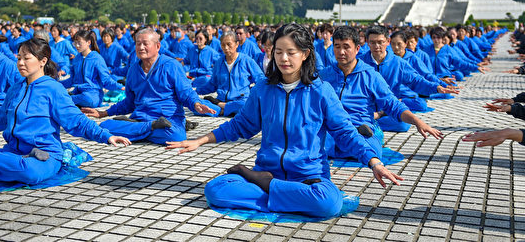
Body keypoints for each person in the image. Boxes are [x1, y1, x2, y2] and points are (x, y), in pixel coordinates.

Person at [166, 23, 403, 218]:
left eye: (291, 52)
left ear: (305, 54)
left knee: (328, 203)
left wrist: (373, 162)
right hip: (267, 170)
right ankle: (279, 191)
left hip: (308, 177)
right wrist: (200, 140)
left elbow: (346, 133)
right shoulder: (263, 89)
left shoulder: (321, 91)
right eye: (278, 51)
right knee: (216, 189)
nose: (283, 58)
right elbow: (240, 125)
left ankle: (269, 188)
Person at [0, 38, 130, 185]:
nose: (20, 63)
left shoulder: (53, 89)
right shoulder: (15, 89)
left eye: (26, 58)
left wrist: (106, 136)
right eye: (18, 58)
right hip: (14, 152)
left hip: (44, 154)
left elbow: (77, 122)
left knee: (30, 173)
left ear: (43, 61)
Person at [81, 28, 210, 144]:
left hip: (168, 119)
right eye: (138, 44)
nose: (141, 47)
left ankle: (136, 130)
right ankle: (150, 127)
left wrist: (196, 104)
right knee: (105, 125)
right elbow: (129, 103)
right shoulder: (133, 70)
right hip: (142, 118)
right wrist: (104, 113)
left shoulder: (171, 66)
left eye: (145, 44)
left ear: (158, 46)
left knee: (177, 136)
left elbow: (186, 92)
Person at [320, 26, 444, 138]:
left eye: (380, 42)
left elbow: (417, 80)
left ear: (387, 42)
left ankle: (368, 126)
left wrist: (436, 87)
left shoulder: (383, 68)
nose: (376, 46)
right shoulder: (331, 72)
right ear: (367, 43)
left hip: (379, 111)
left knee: (403, 123)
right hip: (351, 117)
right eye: (372, 42)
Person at [195, 31, 265, 117]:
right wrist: (195, 92)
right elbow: (212, 84)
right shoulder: (219, 62)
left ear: (237, 44)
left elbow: (261, 79)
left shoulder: (246, 60)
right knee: (197, 106)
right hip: (221, 99)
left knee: (247, 104)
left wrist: (253, 92)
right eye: (223, 45)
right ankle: (225, 110)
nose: (226, 48)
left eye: (229, 44)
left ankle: (221, 109)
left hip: (240, 100)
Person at [61, 30, 125, 108]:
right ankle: (68, 99)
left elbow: (106, 80)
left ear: (88, 42)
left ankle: (67, 100)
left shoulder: (97, 58)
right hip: (78, 92)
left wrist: (120, 86)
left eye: (79, 43)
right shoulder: (77, 59)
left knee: (86, 98)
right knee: (59, 94)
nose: (77, 46)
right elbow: (72, 80)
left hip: (93, 94)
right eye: (75, 43)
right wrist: (57, 84)